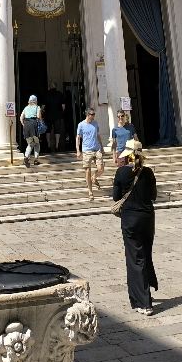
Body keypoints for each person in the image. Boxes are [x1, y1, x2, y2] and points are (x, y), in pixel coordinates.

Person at [112, 139, 158, 316]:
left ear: (127, 156)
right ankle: (145, 291)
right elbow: (153, 196)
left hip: (130, 220)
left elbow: (116, 197)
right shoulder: (148, 172)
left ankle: (144, 302)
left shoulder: (121, 172)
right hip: (147, 218)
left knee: (135, 259)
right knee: (145, 255)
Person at [76, 108, 104, 201]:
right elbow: (78, 137)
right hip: (87, 150)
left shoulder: (95, 123)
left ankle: (94, 177)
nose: (93, 116)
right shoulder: (81, 125)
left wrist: (102, 147)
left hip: (96, 149)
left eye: (94, 114)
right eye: (92, 114)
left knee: (100, 169)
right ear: (87, 115)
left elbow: (98, 135)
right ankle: (90, 192)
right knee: (87, 171)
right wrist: (78, 150)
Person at [20, 96, 42, 168]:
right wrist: (41, 121)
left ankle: (26, 157)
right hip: (34, 125)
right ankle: (36, 160)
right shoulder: (37, 107)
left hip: (26, 125)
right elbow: (38, 116)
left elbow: (21, 118)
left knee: (30, 143)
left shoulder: (26, 108)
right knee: (37, 143)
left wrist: (24, 125)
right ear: (36, 101)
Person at [44, 82, 65, 153]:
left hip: (48, 115)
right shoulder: (60, 94)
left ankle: (49, 146)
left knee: (48, 131)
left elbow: (43, 105)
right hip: (58, 115)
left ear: (50, 86)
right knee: (57, 131)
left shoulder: (47, 94)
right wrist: (61, 113)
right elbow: (63, 106)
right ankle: (57, 146)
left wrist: (41, 112)